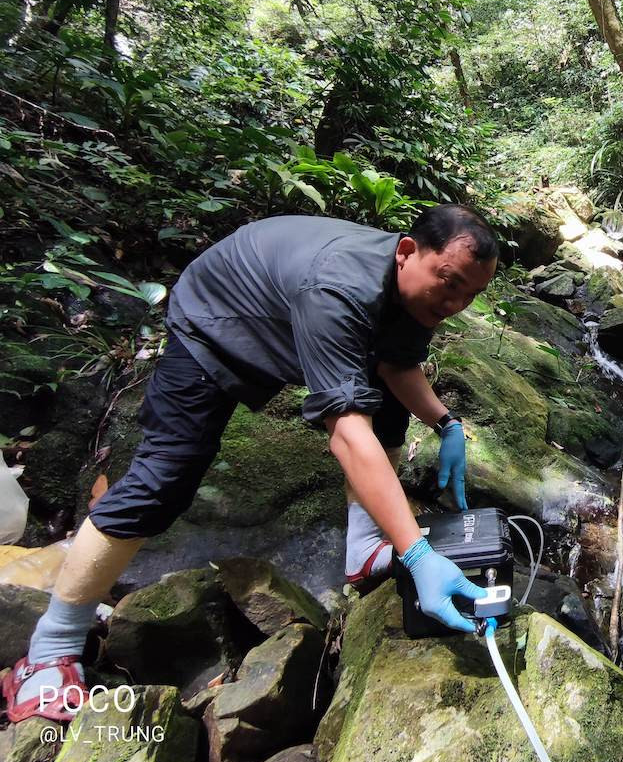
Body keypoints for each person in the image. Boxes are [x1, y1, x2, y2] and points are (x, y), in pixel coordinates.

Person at [2, 205, 498, 724]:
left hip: (286, 312)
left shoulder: (414, 293)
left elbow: (396, 363)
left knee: (386, 407)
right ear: (406, 252)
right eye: (450, 284)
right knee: (164, 478)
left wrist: (447, 424)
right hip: (216, 319)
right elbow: (349, 438)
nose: (457, 303)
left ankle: (362, 548)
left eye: (471, 295)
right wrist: (418, 555)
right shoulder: (338, 290)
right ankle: (50, 647)